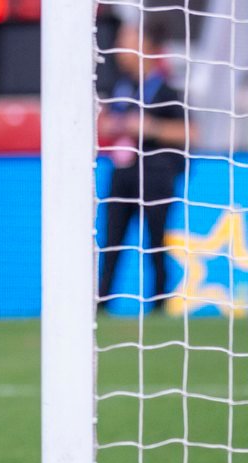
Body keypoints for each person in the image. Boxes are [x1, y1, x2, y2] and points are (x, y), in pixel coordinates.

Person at [98, 16, 191, 312]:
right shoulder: (120, 85)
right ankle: (101, 303)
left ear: (145, 46)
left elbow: (191, 132)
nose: (117, 47)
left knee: (155, 241)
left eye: (124, 41)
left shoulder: (166, 90)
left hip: (156, 174)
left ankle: (159, 304)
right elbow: (105, 124)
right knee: (111, 241)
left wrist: (151, 127)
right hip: (123, 172)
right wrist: (112, 124)